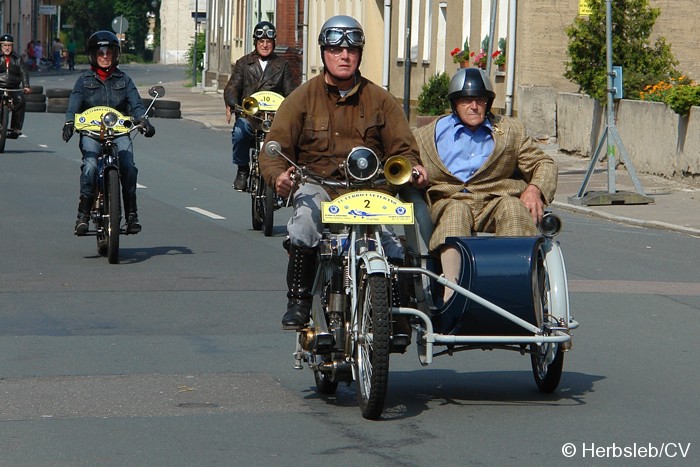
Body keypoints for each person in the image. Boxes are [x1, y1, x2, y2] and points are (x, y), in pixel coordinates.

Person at [260, 15, 429, 330]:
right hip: (319, 186)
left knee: (393, 246)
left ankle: (398, 312)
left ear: (360, 55)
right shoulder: (301, 98)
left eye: (351, 50)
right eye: (336, 49)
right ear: (324, 53)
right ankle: (298, 302)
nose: (344, 56)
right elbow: (274, 148)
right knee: (304, 225)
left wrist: (413, 167)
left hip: (371, 192)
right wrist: (279, 176)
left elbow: (404, 149)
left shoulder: (381, 100)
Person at [413, 67, 558, 301]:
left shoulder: (511, 131)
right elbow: (404, 160)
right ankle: (452, 294)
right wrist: (414, 175)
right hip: (450, 200)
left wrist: (535, 189)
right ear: (454, 103)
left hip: (495, 200)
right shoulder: (425, 136)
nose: (474, 106)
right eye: (466, 100)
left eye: (480, 100)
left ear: (488, 103)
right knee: (455, 212)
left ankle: (517, 293)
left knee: (513, 208)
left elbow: (544, 163)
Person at [62, 30, 155, 236]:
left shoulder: (125, 80)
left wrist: (144, 120)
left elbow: (136, 105)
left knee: (129, 167)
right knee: (90, 167)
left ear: (115, 55)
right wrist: (70, 121)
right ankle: (83, 215)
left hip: (120, 133)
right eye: (100, 52)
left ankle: (132, 215)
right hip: (91, 133)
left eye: (108, 52)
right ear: (93, 55)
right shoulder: (83, 80)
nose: (105, 56)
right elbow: (74, 103)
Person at [223, 20, 295, 191]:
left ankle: (284, 175)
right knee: (239, 133)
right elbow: (232, 87)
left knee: (291, 139)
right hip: (250, 116)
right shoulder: (243, 63)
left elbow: (291, 92)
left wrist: (293, 107)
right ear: (255, 42)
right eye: (261, 41)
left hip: (274, 118)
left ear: (273, 43)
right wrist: (233, 103)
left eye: (268, 42)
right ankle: (242, 169)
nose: (265, 45)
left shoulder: (283, 65)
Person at [0, 34, 31, 139]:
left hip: (13, 87)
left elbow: (24, 72)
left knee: (20, 100)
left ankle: (16, 128)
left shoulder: (18, 59)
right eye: (4, 45)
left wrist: (26, 86)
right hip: (0, 87)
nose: (7, 48)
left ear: (12, 46)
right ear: (1, 46)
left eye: (9, 45)